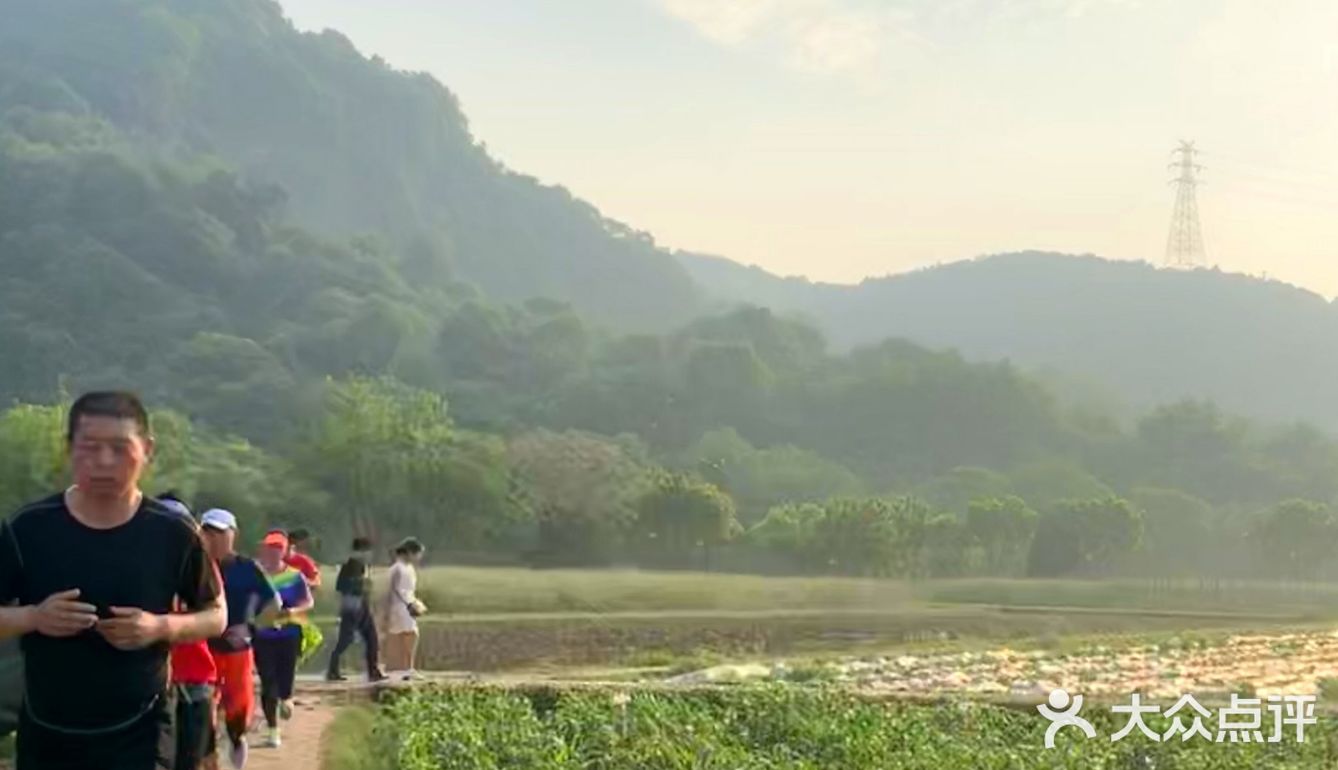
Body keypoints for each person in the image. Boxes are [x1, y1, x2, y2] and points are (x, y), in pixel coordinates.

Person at [0, 391, 225, 770]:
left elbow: (216, 614)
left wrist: (159, 626)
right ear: (70, 449)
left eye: (120, 449)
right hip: (48, 730)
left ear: (147, 449)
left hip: (142, 729)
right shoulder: (27, 528)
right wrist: (35, 617)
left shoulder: (173, 533)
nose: (104, 462)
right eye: (90, 447)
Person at [201, 508, 278, 770]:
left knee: (238, 716)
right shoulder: (195, 566)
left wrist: (250, 628)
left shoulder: (247, 568)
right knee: (203, 716)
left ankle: (236, 757)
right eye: (208, 533)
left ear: (233, 535)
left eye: (221, 533)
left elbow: (274, 603)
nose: (215, 539)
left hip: (237, 650)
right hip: (203, 650)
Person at [158, 494, 222, 770]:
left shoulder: (202, 567)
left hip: (195, 679)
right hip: (154, 684)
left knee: (192, 760)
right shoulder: (136, 566)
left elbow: (217, 619)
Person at [253, 531, 313, 749]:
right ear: (264, 548)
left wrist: (293, 611)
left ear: (285, 550)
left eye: (278, 548)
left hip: (289, 634)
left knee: (285, 680)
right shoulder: (256, 574)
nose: (274, 551)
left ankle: (286, 698)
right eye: (270, 547)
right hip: (262, 635)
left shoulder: (295, 576)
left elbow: (308, 602)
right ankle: (272, 730)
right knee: (267, 682)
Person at [326, 537, 386, 682]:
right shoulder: (351, 566)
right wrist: (361, 584)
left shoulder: (361, 565)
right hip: (352, 607)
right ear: (361, 551)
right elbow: (341, 587)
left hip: (361, 606)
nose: (369, 555)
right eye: (367, 551)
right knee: (346, 639)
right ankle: (332, 670)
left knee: (372, 639)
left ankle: (373, 671)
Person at [382, 537, 427, 679]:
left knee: (406, 635)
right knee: (409, 634)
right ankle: (405, 667)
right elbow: (393, 590)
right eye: (417, 553)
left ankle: (405, 667)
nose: (418, 557)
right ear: (409, 552)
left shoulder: (409, 568)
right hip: (400, 606)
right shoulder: (397, 568)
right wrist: (387, 611)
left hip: (408, 604)